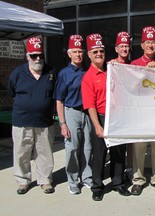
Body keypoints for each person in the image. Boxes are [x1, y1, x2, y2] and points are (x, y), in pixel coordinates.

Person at [81, 33, 131, 201]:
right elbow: (90, 105)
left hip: (117, 116)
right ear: (89, 54)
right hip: (101, 117)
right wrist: (97, 126)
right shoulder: (88, 78)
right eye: (95, 52)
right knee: (99, 154)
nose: (99, 54)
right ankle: (97, 186)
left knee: (118, 151)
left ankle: (118, 183)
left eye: (101, 51)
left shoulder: (112, 68)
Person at [8, 36, 56, 194]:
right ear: (27, 56)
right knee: (22, 152)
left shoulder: (51, 72)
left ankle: (45, 180)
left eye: (40, 55)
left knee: (45, 153)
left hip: (44, 122)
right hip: (22, 121)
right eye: (34, 55)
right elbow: (11, 91)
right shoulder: (18, 72)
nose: (38, 58)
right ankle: (23, 181)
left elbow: (54, 94)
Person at [130, 26, 155, 195]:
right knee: (139, 146)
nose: (151, 46)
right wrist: (145, 72)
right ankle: (138, 180)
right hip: (141, 113)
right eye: (147, 42)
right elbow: (130, 88)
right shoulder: (135, 64)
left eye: (153, 42)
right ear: (142, 45)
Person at [54, 34, 93, 195]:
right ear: (69, 54)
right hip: (72, 112)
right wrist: (62, 123)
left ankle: (87, 177)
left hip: (87, 112)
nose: (78, 55)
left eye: (80, 51)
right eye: (75, 51)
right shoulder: (65, 73)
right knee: (72, 148)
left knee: (87, 148)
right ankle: (72, 180)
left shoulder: (87, 70)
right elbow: (59, 100)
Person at [110, 31, 133, 181]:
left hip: (130, 110)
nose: (124, 49)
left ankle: (129, 171)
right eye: (121, 46)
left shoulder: (133, 66)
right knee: (117, 146)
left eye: (127, 46)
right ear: (116, 49)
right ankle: (116, 175)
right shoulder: (111, 65)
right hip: (116, 110)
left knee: (130, 144)